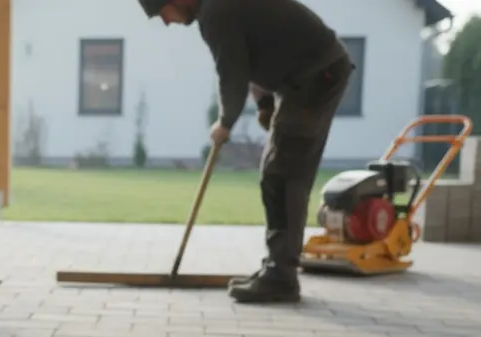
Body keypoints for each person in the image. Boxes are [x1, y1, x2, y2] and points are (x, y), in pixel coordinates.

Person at [138, 0, 353, 303]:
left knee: (283, 176)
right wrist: (264, 104)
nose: (166, 21)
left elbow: (232, 73)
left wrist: (225, 123)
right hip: (307, 78)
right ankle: (277, 269)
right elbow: (252, 58)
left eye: (162, 13)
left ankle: (281, 277)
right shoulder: (215, 10)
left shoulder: (216, 13)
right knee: (278, 173)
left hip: (315, 77)